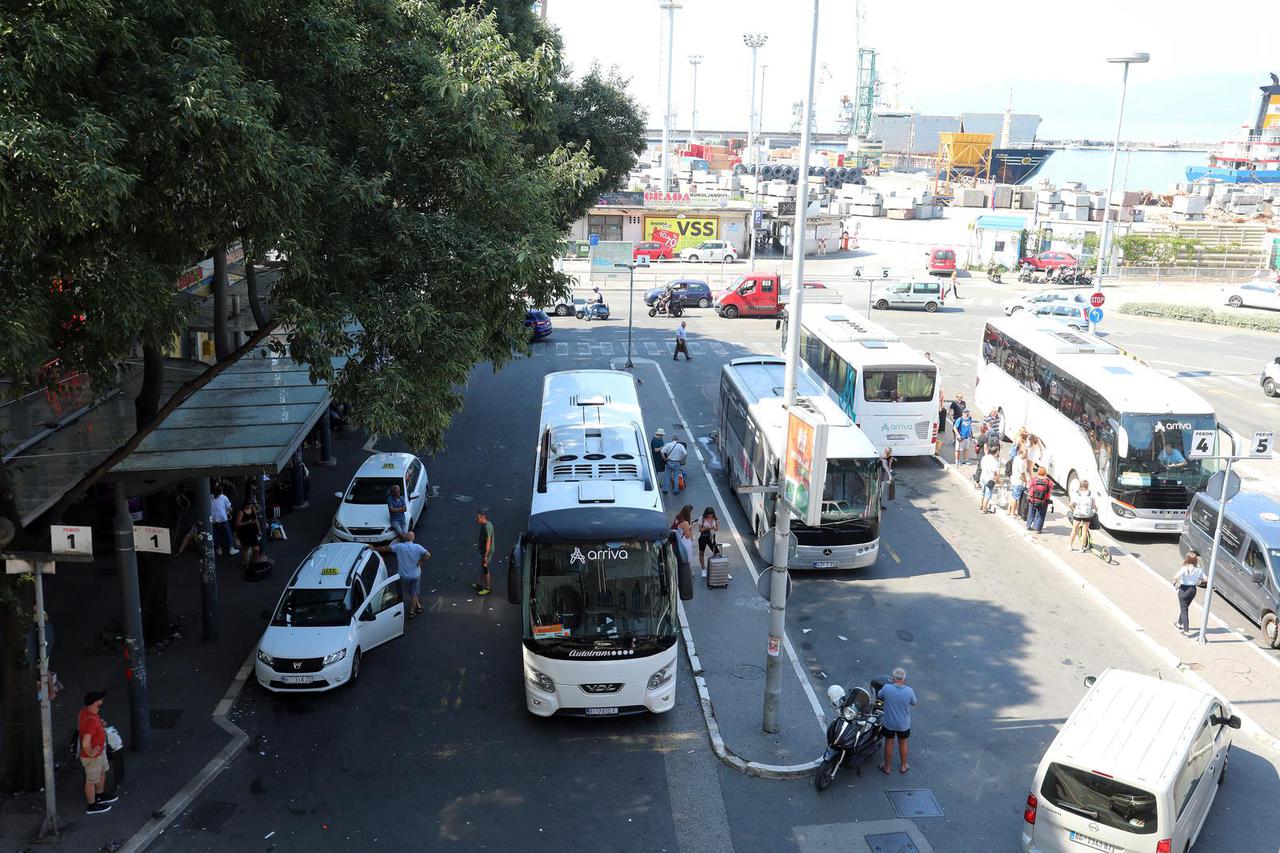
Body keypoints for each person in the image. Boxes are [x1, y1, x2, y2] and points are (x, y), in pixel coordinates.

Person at [376, 531, 430, 618]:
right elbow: (427, 554)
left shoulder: (399, 547)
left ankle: (418, 606)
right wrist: (421, 561)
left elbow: (386, 548)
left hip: (403, 575)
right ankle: (412, 611)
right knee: (413, 592)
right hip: (415, 575)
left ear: (405, 538)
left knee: (411, 592)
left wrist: (374, 549)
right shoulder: (417, 547)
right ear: (413, 538)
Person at [79, 690, 116, 814]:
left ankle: (100, 795)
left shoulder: (87, 712)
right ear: (95, 703)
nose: (102, 701)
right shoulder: (91, 720)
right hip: (93, 756)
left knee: (102, 772)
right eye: (101, 700)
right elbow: (85, 742)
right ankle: (92, 805)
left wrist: (100, 725)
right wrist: (90, 753)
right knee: (91, 781)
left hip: (100, 752)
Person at [878, 668, 917, 775]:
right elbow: (914, 703)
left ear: (893, 677)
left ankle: (887, 767)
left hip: (889, 723)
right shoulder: (909, 691)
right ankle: (903, 766)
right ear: (904, 679)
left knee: (889, 743)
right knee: (903, 743)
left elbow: (879, 696)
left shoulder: (887, 688)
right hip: (903, 724)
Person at [1172, 551, 1205, 634]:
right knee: (1185, 607)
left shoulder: (1184, 568)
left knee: (1184, 610)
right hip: (1193, 590)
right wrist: (1198, 583)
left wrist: (1175, 582)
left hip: (1184, 589)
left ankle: (1186, 630)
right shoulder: (1199, 569)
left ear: (1187, 559)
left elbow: (1175, 577)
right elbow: (1205, 578)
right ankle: (1179, 623)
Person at [234, 494, 264, 567]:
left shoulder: (252, 509)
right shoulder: (241, 512)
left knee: (256, 548)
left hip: (253, 531)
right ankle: (246, 564)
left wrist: (259, 530)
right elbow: (237, 524)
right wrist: (247, 522)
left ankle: (255, 561)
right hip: (244, 532)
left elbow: (256, 519)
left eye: (251, 504)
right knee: (245, 548)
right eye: (249, 505)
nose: (250, 506)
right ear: (245, 505)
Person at [1068, 480, 1097, 551]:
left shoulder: (1077, 494)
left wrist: (1073, 510)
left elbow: (1070, 504)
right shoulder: (1091, 494)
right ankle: (1081, 548)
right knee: (1084, 531)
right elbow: (1093, 506)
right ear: (1087, 486)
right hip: (1087, 515)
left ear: (1080, 486)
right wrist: (1096, 510)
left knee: (1074, 530)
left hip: (1077, 514)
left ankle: (1070, 546)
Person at [210, 484, 238, 556]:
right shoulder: (223, 497)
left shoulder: (210, 497)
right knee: (227, 533)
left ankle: (219, 549)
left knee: (216, 534)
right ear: (221, 492)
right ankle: (230, 548)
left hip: (214, 519)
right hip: (223, 518)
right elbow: (229, 508)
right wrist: (231, 509)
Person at [473, 509, 494, 596]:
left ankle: (488, 587)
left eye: (477, 518)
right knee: (483, 566)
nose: (476, 519)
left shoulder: (486, 527)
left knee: (485, 568)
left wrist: (485, 555)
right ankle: (480, 584)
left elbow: (488, 541)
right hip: (484, 551)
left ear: (483, 517)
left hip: (486, 552)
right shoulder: (486, 523)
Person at [1026, 467, 1053, 533]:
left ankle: (1028, 525)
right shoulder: (1048, 481)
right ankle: (1037, 529)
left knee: (1031, 513)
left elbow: (1028, 486)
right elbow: (1051, 489)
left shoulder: (1034, 479)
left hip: (1032, 500)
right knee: (1041, 515)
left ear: (1038, 472)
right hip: (1043, 501)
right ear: (1045, 473)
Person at [1006, 447, 1030, 519]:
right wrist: (1026, 481)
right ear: (1021, 453)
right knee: (1015, 498)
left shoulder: (1016, 458)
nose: (1026, 455)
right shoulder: (1021, 462)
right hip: (1019, 482)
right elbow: (1022, 474)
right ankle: (1013, 513)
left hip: (1013, 480)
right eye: (1025, 454)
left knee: (1013, 496)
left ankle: (1009, 510)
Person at [671, 505, 696, 570]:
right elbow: (687, 535)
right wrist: (691, 527)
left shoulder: (677, 517)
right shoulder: (685, 523)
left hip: (678, 539)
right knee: (687, 557)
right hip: (685, 542)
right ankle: (687, 571)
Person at [697, 507, 720, 577]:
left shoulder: (715, 518)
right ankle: (703, 569)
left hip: (711, 537)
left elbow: (717, 528)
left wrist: (714, 528)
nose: (710, 516)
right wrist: (707, 528)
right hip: (703, 537)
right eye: (709, 515)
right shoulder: (702, 518)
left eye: (711, 515)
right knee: (701, 553)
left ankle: (718, 568)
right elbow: (700, 530)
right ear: (706, 514)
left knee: (717, 553)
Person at [979, 447, 1001, 513]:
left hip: (983, 477)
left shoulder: (985, 457)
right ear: (996, 452)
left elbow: (981, 467)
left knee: (983, 492)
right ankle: (984, 509)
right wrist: (998, 481)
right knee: (987, 494)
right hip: (990, 480)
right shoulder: (995, 461)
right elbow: (995, 473)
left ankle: (981, 505)